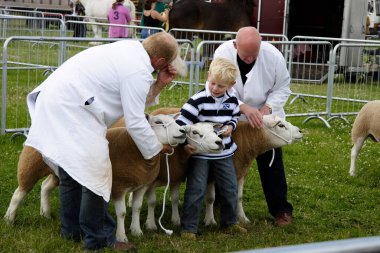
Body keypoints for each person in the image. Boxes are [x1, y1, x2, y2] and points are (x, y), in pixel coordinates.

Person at [24, 32, 180, 251]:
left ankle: (71, 231)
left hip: (58, 100)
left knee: (70, 170)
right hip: (72, 108)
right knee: (97, 174)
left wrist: (159, 84)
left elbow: (131, 99)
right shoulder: (137, 70)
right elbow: (135, 120)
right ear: (161, 61)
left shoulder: (130, 51)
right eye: (169, 64)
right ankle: (99, 238)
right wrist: (155, 148)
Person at [214, 26, 293, 226]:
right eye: (245, 55)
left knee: (271, 162)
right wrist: (242, 107)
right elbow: (218, 85)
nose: (250, 59)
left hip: (265, 118)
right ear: (235, 45)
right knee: (224, 158)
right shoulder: (223, 53)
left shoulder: (273, 55)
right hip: (233, 117)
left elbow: (283, 87)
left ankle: (281, 209)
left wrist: (268, 107)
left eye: (254, 55)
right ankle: (219, 201)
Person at [177, 57, 247, 240]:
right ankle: (189, 228)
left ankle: (229, 222)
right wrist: (186, 145)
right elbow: (181, 125)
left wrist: (232, 126)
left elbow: (234, 116)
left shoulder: (232, 101)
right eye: (213, 83)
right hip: (201, 154)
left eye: (221, 86)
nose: (215, 88)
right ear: (208, 76)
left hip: (223, 152)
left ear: (231, 85)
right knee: (196, 189)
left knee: (230, 187)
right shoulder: (196, 101)